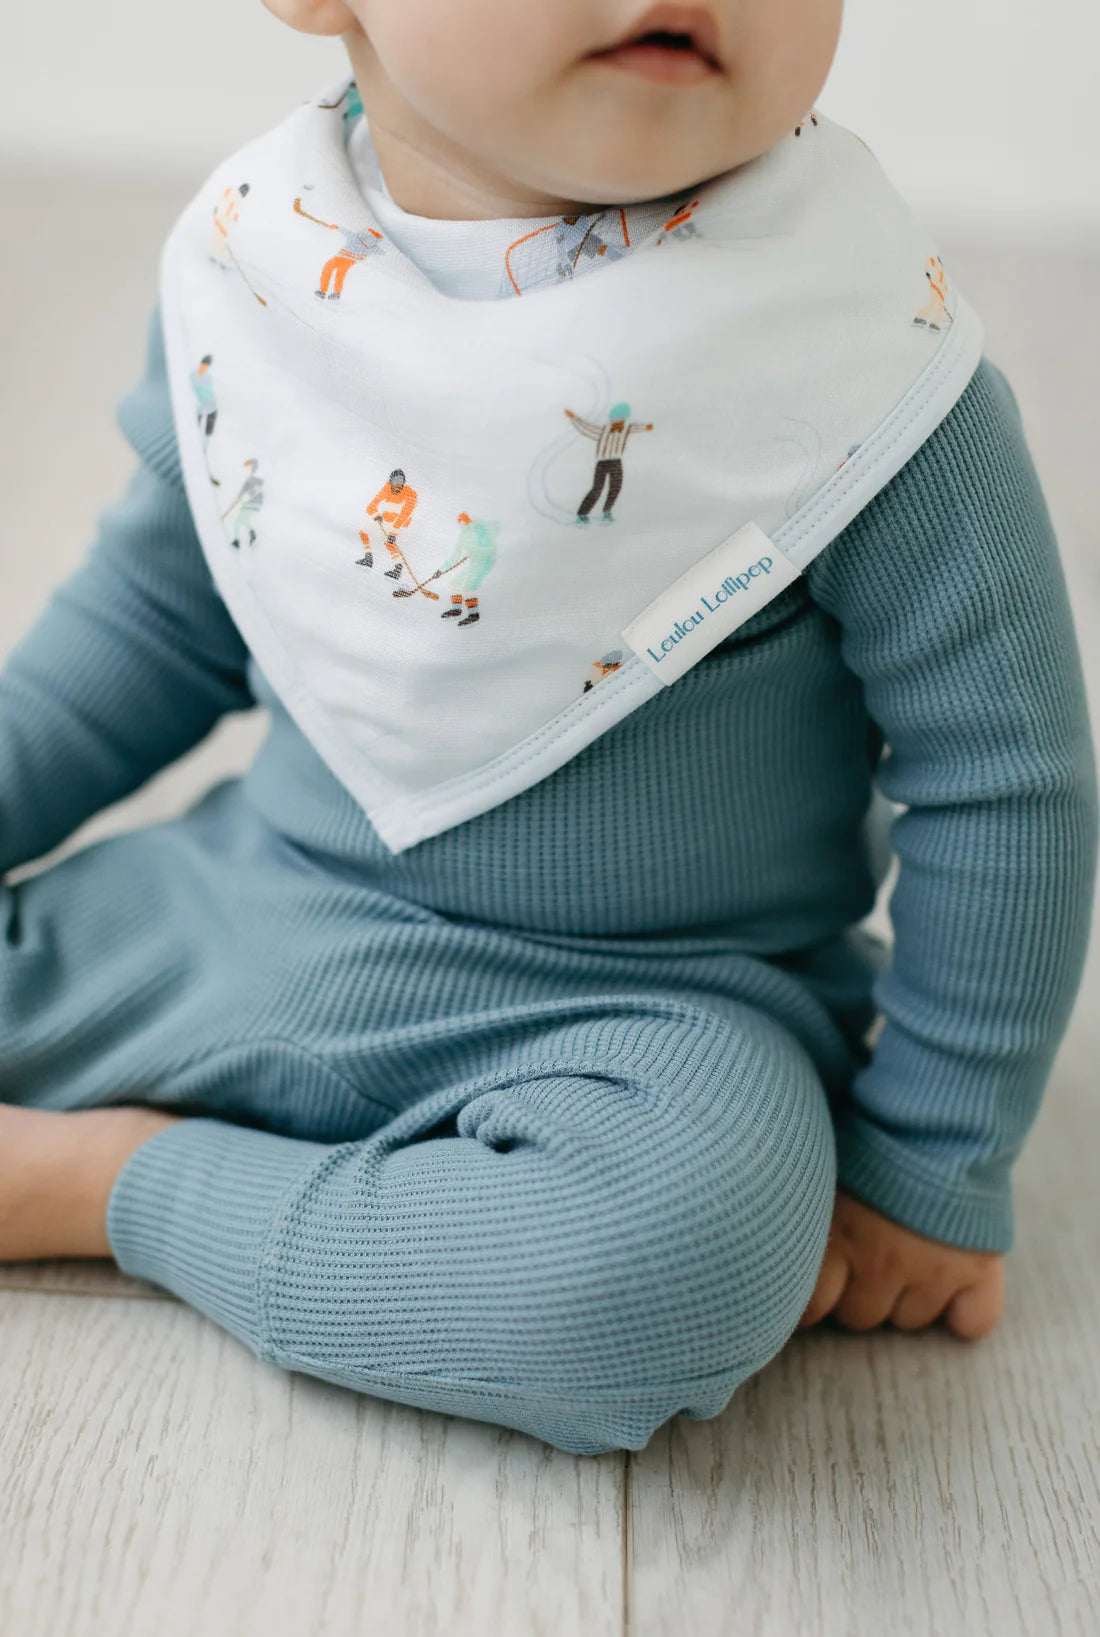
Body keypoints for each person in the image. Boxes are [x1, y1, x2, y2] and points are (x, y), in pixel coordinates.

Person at [0, 0, 1096, 1459]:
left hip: (647, 1017)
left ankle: (111, 1185)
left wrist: (928, 1158)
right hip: (244, 922)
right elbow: (156, 623)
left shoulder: (859, 357)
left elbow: (1007, 775)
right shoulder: (270, 269)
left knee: (681, 1266)